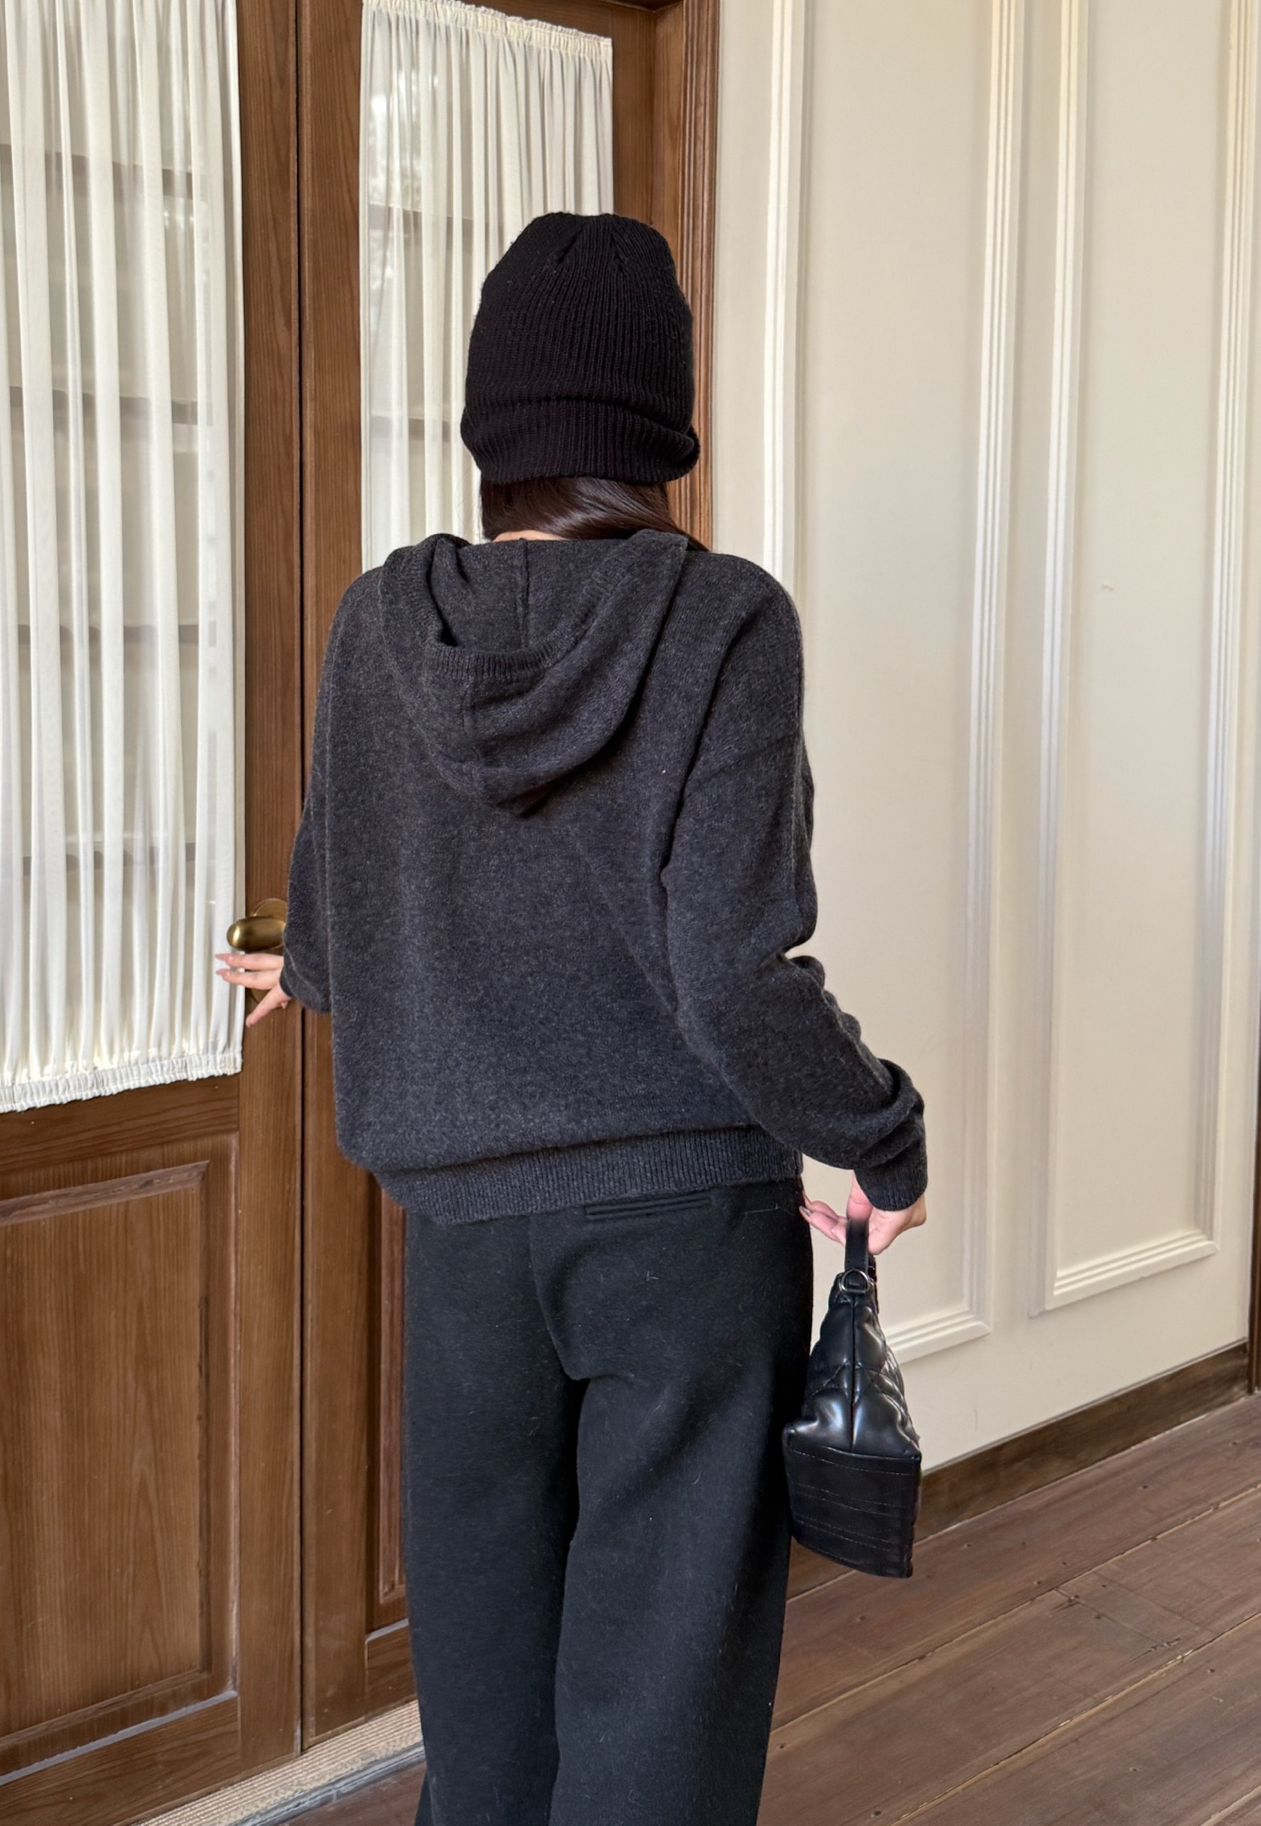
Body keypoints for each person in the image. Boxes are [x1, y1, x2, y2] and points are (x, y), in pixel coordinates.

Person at [218, 212, 928, 1826]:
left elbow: (343, 880)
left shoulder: (378, 623)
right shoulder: (725, 620)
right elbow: (731, 971)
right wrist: (877, 1135)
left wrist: (308, 967)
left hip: (466, 1244)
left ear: (492, 424)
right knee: (660, 1696)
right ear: (663, 421)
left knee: (482, 1706)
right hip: (686, 1237)